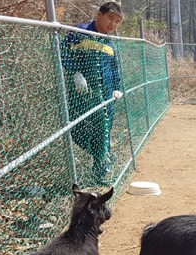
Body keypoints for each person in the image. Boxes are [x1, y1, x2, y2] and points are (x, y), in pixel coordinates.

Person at [61, 1, 124, 185]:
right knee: (77, 130)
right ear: (99, 15)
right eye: (110, 18)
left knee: (103, 132)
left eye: (117, 22)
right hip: (81, 95)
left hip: (106, 97)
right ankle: (104, 154)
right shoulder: (79, 32)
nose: (113, 24)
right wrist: (75, 72)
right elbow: (62, 52)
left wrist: (117, 87)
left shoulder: (109, 42)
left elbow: (114, 67)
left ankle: (100, 172)